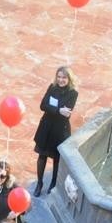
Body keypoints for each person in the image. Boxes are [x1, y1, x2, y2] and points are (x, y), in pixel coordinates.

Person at [33, 66, 79, 196]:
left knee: (57, 159)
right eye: (59, 77)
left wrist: (53, 108)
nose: (61, 80)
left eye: (64, 77)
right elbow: (43, 105)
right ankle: (40, 183)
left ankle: (53, 182)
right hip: (46, 127)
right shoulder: (52, 87)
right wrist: (59, 109)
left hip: (60, 130)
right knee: (42, 156)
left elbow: (67, 113)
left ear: (69, 79)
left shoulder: (73, 93)